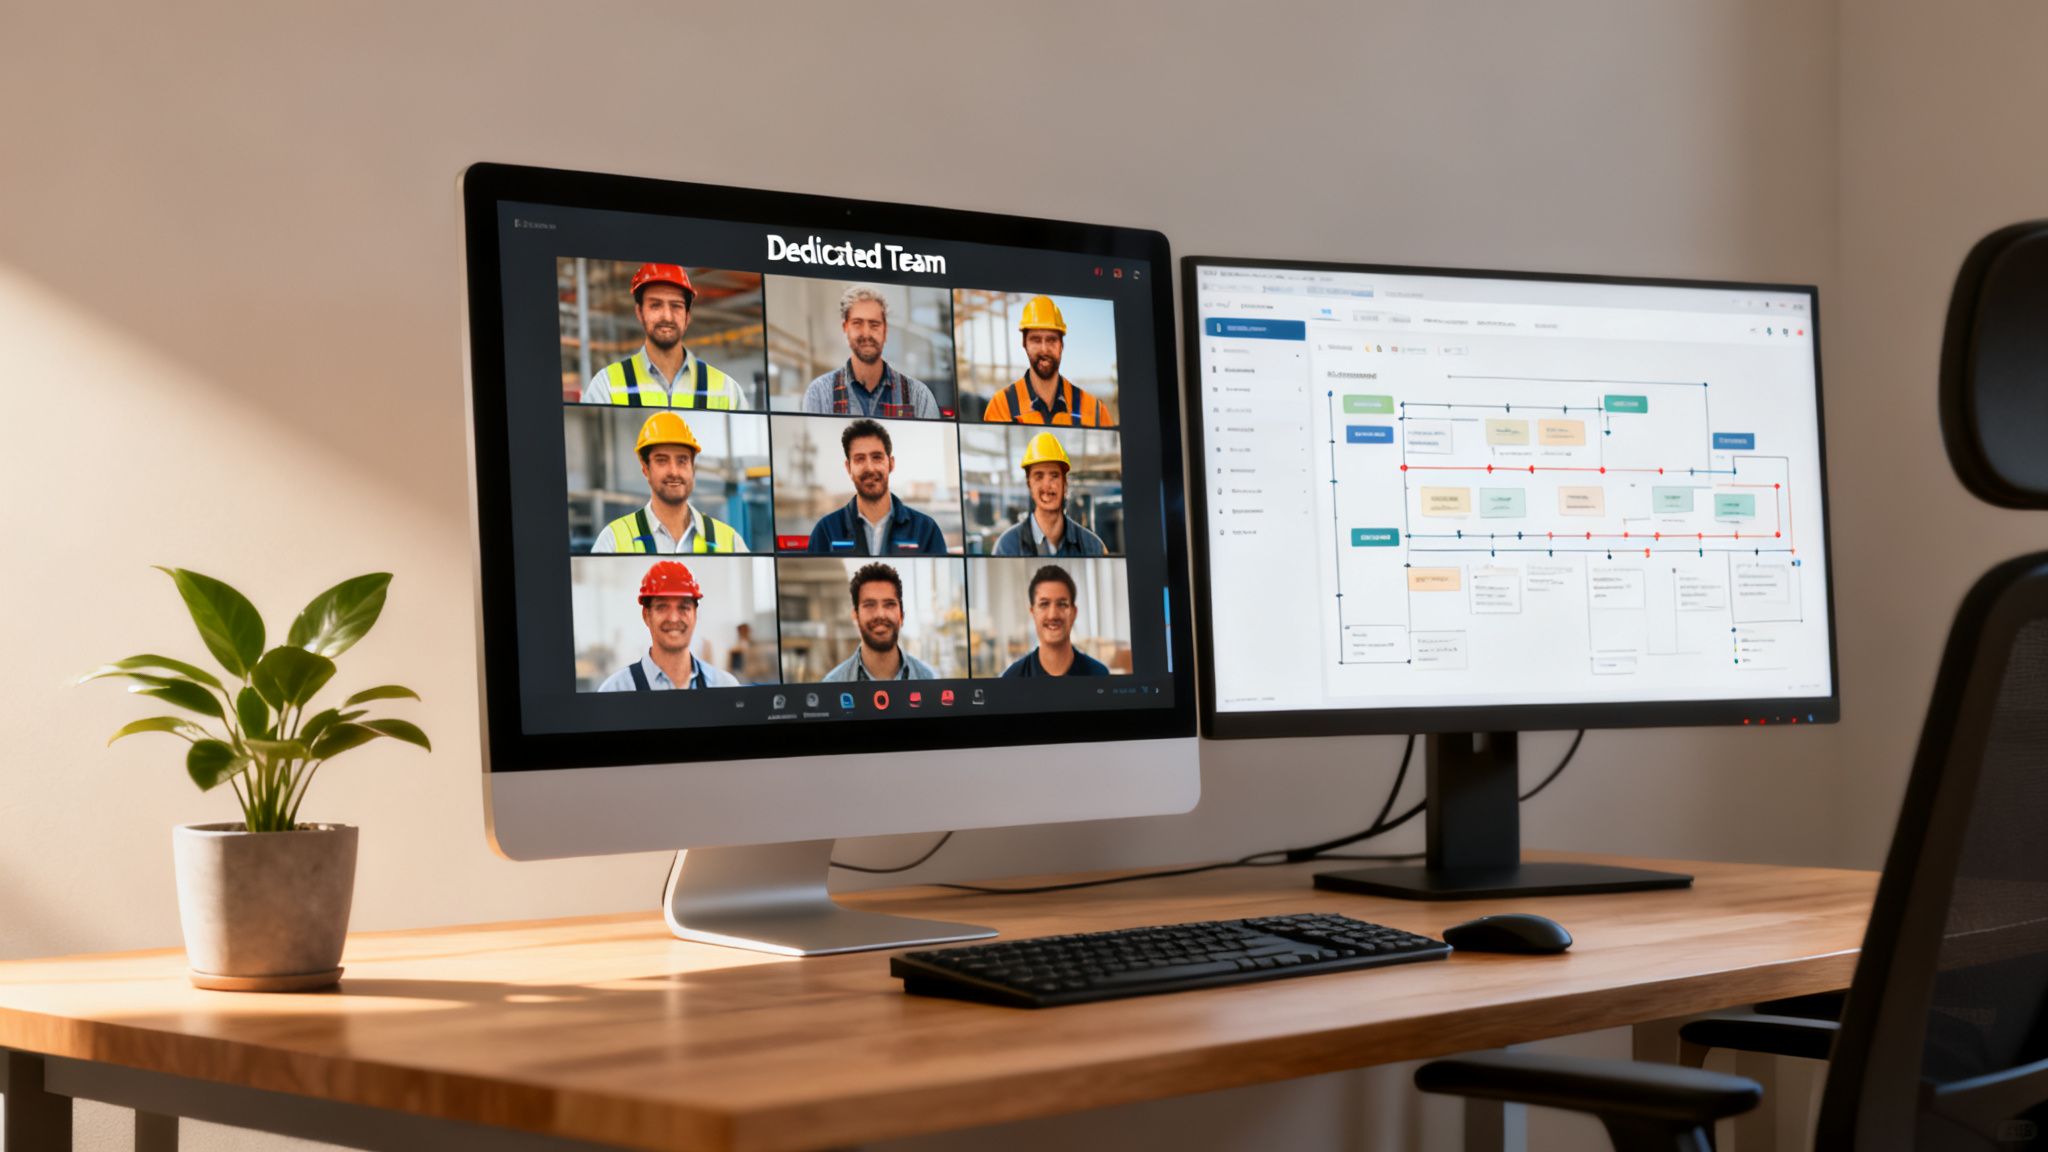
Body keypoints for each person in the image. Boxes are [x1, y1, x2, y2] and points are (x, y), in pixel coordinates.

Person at [581, 263, 748, 409]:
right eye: (655, 305)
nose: (667, 316)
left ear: (687, 316)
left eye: (676, 306)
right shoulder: (606, 386)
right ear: (639, 312)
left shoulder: (727, 391)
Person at [591, 412, 746, 553]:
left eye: (682, 460)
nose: (674, 471)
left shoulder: (730, 541)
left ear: (692, 468)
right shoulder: (612, 541)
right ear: (645, 469)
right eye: (662, 460)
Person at [805, 419, 948, 554]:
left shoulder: (926, 531)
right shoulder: (825, 531)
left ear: (891, 463)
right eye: (860, 459)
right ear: (849, 468)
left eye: (877, 457)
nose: (870, 468)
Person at [595, 561, 741, 691]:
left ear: (695, 615)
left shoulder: (725, 686)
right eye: (662, 607)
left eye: (683, 607)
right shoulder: (616, 689)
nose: (673, 618)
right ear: (646, 615)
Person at [800, 285, 941, 419]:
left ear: (885, 330)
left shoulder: (920, 397)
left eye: (874, 324)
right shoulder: (819, 394)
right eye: (857, 323)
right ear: (845, 327)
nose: (866, 333)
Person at [980, 295, 1113, 427]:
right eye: (1036, 340)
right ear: (1024, 344)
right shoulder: (1001, 406)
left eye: (1051, 340)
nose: (1044, 349)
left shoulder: (1096, 412)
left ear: (1061, 344)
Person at [992, 431, 1107, 556]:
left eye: (1054, 475)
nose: (1047, 485)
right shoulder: (1007, 546)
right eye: (1039, 476)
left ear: (1065, 484)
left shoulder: (1093, 546)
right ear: (1029, 484)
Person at [822, 563, 940, 681]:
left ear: (901, 616)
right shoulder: (832, 683)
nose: (880, 614)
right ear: (855, 617)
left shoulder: (929, 678)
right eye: (869, 605)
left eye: (889, 604)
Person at [1002, 564, 1111, 677]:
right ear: (1033, 612)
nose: (1053, 615)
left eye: (1062, 604)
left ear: (1073, 613)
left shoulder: (1099, 674)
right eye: (1044, 604)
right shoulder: (1012, 677)